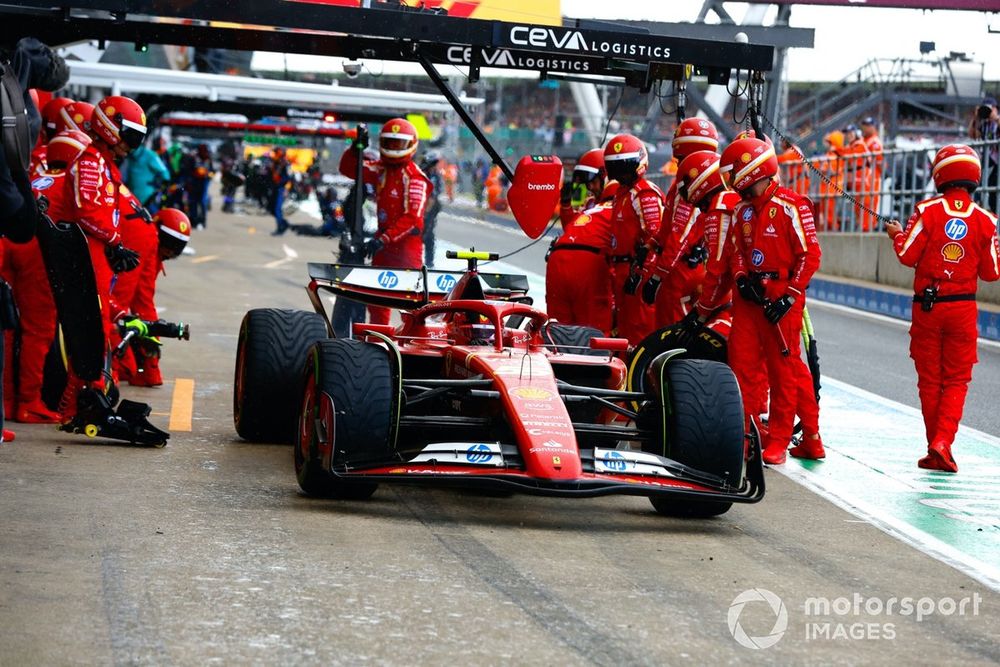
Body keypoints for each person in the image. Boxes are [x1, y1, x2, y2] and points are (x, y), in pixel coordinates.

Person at [884, 145, 999, 473]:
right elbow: (992, 272)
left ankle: (935, 444)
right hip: (963, 308)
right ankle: (942, 443)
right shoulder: (986, 220)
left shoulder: (926, 211)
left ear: (940, 174)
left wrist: (896, 235)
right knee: (957, 379)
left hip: (928, 307)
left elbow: (907, 254)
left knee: (930, 379)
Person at [721, 136, 823, 465]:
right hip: (748, 299)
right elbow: (736, 253)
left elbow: (811, 256)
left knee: (784, 371)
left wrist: (790, 295)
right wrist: (740, 279)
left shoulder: (793, 205)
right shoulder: (741, 211)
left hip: (781, 299)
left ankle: (779, 439)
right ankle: (747, 436)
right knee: (742, 369)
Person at [53, 96, 145, 431]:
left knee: (95, 332)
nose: (132, 146)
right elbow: (85, 211)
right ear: (110, 128)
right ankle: (76, 406)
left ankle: (83, 402)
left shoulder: (104, 164)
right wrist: (116, 242)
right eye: (130, 137)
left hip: (97, 258)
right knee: (89, 334)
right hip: (86, 258)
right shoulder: (90, 162)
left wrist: (113, 245)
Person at [673, 150, 769, 436]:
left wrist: (700, 314)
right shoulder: (734, 201)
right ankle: (764, 425)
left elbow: (718, 268)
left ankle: (747, 429)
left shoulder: (718, 208)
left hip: (748, 292)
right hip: (768, 288)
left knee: (743, 361)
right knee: (773, 365)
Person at [339, 119, 431, 325]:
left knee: (411, 304)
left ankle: (413, 348)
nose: (392, 148)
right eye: (389, 143)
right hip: (381, 245)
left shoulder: (416, 177)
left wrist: (383, 240)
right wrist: (356, 148)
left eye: (398, 144)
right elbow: (348, 169)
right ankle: (376, 345)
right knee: (377, 302)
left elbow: (412, 219)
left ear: (411, 145)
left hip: (406, 247)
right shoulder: (379, 169)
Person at [642, 118, 719, 326]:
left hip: (679, 269)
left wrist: (658, 276)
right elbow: (668, 229)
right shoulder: (685, 184)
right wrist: (651, 244)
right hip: (686, 264)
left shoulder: (690, 186)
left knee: (671, 327)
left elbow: (679, 237)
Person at [112, 207, 191, 387]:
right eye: (169, 244)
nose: (170, 252)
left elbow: (136, 302)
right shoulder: (148, 241)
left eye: (175, 247)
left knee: (116, 312)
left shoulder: (147, 242)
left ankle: (122, 371)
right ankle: (145, 370)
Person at [604, 133, 663, 344]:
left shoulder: (644, 194)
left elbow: (656, 235)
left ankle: (640, 374)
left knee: (640, 328)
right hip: (620, 270)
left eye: (625, 167)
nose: (622, 174)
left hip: (636, 270)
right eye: (616, 168)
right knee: (622, 328)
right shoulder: (621, 194)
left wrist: (641, 272)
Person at [545, 182, 617, 335]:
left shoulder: (589, 211)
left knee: (558, 330)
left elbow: (570, 226)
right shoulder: (620, 211)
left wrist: (565, 205)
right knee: (594, 332)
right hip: (588, 263)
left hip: (557, 258)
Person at [559, 148, 607, 228]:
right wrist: (566, 205)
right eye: (587, 183)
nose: (590, 187)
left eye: (594, 182)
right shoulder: (590, 203)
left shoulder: (618, 203)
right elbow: (573, 229)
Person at [969, 96, 999, 214]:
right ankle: (977, 203)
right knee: (977, 179)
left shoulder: (997, 121)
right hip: (988, 158)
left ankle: (994, 211)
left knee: (992, 187)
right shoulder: (984, 124)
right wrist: (976, 118)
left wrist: (995, 118)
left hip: (997, 160)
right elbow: (973, 134)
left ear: (995, 109)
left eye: (989, 109)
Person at [122, 138, 170, 210]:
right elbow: (166, 175)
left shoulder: (127, 153)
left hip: (131, 195)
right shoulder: (150, 155)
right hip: (145, 196)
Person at [420, 150, 444, 267]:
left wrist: (424, 214)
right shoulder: (420, 172)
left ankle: (429, 263)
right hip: (419, 208)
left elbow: (433, 197)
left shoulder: (435, 176)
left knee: (428, 236)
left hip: (428, 211)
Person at [860, 116, 883, 230]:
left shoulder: (874, 142)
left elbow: (880, 162)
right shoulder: (864, 140)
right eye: (864, 125)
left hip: (871, 178)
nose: (865, 128)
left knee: (868, 204)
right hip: (864, 179)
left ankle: (868, 228)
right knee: (862, 204)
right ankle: (864, 227)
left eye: (868, 126)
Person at [186, 143, 213, 229]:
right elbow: (188, 170)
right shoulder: (194, 158)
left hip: (204, 183)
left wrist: (208, 174)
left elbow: (212, 171)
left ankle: (202, 221)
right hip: (194, 183)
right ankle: (193, 220)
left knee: (202, 202)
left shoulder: (208, 160)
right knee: (193, 202)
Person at [268, 146, 291, 235]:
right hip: (276, 188)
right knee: (274, 209)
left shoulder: (284, 163)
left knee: (277, 209)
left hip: (281, 189)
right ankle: (283, 224)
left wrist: (286, 189)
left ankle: (281, 227)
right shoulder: (276, 162)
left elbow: (288, 179)